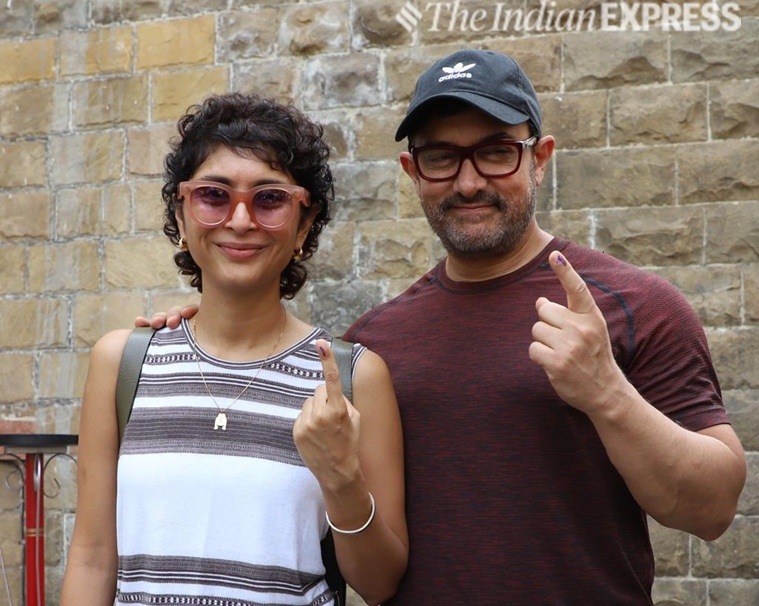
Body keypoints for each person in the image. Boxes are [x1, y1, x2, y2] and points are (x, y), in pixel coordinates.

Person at [141, 51, 746, 604]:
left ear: (539, 157)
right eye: (441, 157)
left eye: (495, 151)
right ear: (412, 170)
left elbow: (712, 509)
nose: (468, 181)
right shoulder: (374, 343)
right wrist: (198, 332)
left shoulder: (635, 303)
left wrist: (606, 393)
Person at [61, 92, 407, 606]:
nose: (240, 220)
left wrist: (342, 477)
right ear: (181, 217)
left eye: (269, 199)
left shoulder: (356, 378)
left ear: (303, 226)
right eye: (214, 195)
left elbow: (380, 585)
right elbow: (92, 556)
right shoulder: (121, 363)